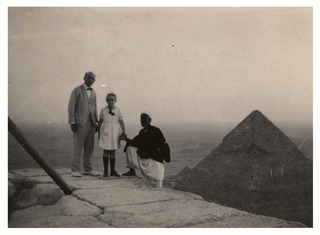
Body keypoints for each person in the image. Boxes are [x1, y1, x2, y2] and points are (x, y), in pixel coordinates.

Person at [122, 113, 170, 188]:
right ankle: (132, 170)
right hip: (143, 158)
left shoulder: (155, 130)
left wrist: (166, 157)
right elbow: (135, 142)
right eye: (141, 119)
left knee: (156, 186)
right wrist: (126, 139)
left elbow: (162, 144)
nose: (142, 121)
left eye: (144, 119)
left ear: (149, 120)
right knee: (129, 148)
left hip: (153, 161)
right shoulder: (142, 132)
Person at [68, 71, 100, 177]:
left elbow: (94, 107)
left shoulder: (94, 92)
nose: (91, 80)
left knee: (89, 147)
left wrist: (96, 122)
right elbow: (71, 106)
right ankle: (75, 169)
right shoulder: (77, 90)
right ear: (84, 78)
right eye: (89, 78)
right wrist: (72, 122)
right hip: (80, 123)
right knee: (77, 146)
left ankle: (88, 169)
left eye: (93, 79)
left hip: (91, 123)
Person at [98, 93, 126, 178]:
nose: (110, 101)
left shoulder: (118, 110)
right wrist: (99, 134)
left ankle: (113, 171)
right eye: (109, 99)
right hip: (105, 131)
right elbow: (100, 122)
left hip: (115, 132)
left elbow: (121, 122)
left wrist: (124, 132)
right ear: (106, 100)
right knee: (106, 150)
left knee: (113, 151)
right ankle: (106, 171)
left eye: (112, 100)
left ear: (115, 101)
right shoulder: (103, 110)